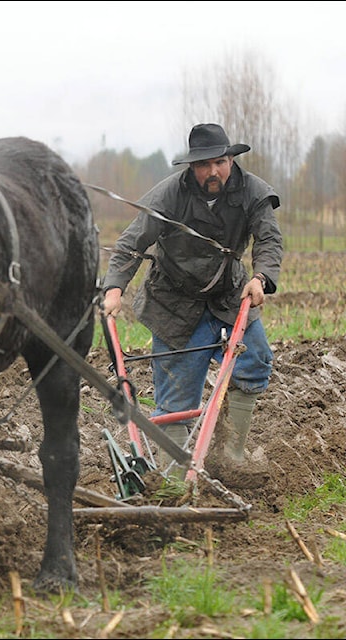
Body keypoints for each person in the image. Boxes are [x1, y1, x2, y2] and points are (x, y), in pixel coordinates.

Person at [101, 123, 283, 486]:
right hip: (174, 303)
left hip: (229, 296)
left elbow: (268, 239)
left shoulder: (253, 192)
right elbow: (132, 243)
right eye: (204, 165)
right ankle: (173, 482)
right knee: (176, 401)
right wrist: (114, 288)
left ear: (230, 159)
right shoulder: (168, 195)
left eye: (219, 162)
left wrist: (260, 277)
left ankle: (230, 458)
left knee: (254, 361)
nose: (212, 171)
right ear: (191, 167)